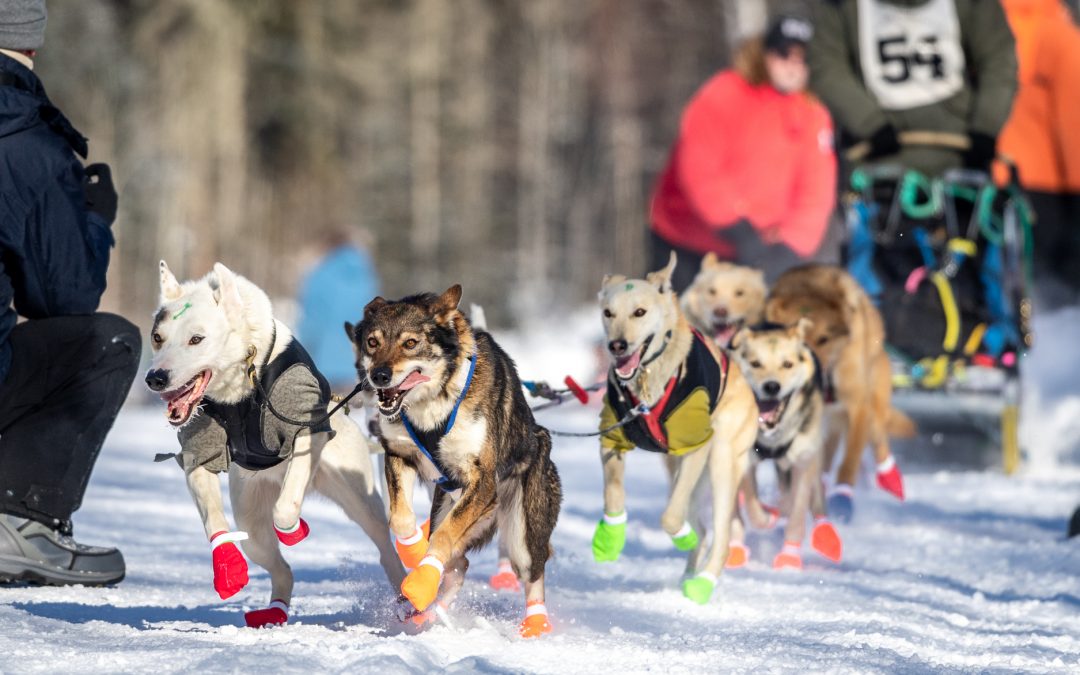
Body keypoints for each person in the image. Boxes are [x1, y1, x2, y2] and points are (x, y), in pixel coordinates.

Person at [0, 1, 140, 586]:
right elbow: (63, 296)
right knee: (107, 342)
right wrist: (92, 218)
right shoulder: (23, 138)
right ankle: (21, 521)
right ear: (29, 40)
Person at [649, 15, 838, 291]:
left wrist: (791, 245)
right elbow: (699, 169)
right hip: (687, 241)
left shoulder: (813, 112)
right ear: (765, 54)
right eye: (784, 54)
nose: (793, 65)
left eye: (803, 57)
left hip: (759, 253)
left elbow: (816, 191)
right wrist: (738, 227)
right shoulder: (724, 94)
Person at [809, 0, 1017, 177]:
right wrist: (869, 124)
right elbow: (826, 66)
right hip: (876, 161)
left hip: (961, 158)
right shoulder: (840, 7)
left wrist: (985, 128)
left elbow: (999, 60)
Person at [995, 0, 1080, 308]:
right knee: (1057, 296)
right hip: (1051, 190)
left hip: (993, 180)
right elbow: (1074, 127)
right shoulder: (1060, 38)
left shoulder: (983, 32)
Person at [296, 230, 380, 391]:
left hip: (324, 362)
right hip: (357, 364)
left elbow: (311, 317)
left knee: (327, 411)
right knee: (352, 414)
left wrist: (305, 345)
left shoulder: (320, 274)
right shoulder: (366, 274)